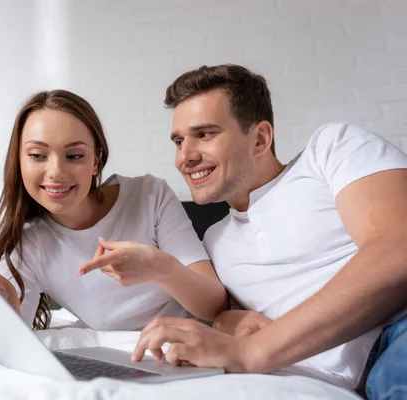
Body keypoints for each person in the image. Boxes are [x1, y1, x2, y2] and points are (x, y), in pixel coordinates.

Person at [80, 65, 407, 398]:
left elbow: (396, 249)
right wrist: (225, 324)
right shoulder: (216, 241)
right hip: (319, 381)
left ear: (261, 139)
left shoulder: (330, 150)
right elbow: (225, 320)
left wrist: (251, 352)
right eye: (179, 141)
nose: (185, 157)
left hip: (396, 334)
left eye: (204, 134)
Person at [0, 89, 228, 331]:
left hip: (188, 351)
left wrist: (160, 267)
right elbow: (12, 341)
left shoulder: (149, 196)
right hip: (121, 362)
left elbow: (215, 304)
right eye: (38, 155)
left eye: (74, 156)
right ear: (19, 161)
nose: (55, 173)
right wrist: (5, 312)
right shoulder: (27, 245)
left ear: (96, 161)